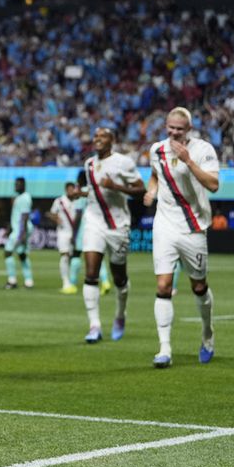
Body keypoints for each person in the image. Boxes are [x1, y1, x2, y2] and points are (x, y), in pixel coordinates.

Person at [143, 107, 220, 368]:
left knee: (198, 286)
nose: (174, 132)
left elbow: (213, 185)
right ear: (166, 126)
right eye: (171, 127)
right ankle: (164, 349)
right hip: (164, 225)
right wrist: (152, 191)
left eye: (179, 128)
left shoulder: (203, 150)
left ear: (189, 129)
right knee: (163, 286)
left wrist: (188, 161)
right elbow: (155, 175)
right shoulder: (157, 150)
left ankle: (207, 334)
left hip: (193, 227)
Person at [81, 127, 146, 343]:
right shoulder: (89, 164)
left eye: (103, 136)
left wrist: (115, 186)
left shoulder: (123, 162)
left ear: (112, 140)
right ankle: (94, 325)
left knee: (119, 277)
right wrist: (79, 193)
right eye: (95, 136)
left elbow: (141, 190)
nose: (97, 139)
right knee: (91, 273)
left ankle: (120, 314)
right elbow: (94, 192)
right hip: (94, 222)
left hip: (118, 225)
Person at [67, 170, 112, 295]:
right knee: (97, 256)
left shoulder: (81, 193)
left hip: (84, 229)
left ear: (81, 180)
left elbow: (78, 214)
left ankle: (72, 284)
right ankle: (105, 282)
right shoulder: (93, 192)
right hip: (97, 227)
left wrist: (73, 234)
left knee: (76, 255)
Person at [47, 182, 78, 293]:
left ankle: (72, 281)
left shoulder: (78, 200)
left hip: (75, 233)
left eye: (73, 189)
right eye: (69, 189)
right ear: (66, 190)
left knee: (73, 258)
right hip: (63, 232)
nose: (71, 191)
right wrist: (56, 219)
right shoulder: (59, 201)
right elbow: (51, 213)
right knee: (64, 255)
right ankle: (65, 282)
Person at [3, 177, 34, 289]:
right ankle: (29, 281)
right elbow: (15, 215)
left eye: (18, 184)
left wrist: (22, 234)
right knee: (22, 255)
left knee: (8, 252)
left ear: (23, 185)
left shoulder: (25, 198)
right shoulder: (19, 197)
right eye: (15, 184)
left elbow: (25, 216)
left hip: (20, 230)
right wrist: (9, 229)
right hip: (18, 229)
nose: (16, 186)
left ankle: (12, 281)